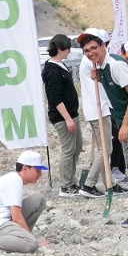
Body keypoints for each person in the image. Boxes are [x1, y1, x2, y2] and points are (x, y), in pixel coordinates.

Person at [77, 32, 128, 227]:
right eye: (86, 51)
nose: (90, 53)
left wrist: (125, 124)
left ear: (103, 46)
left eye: (94, 48)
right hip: (123, 117)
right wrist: (98, 78)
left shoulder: (116, 65)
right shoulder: (100, 68)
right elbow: (114, 88)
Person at [0, 150, 48, 254]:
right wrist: (32, 240)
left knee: (39, 199)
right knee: (31, 244)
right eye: (37, 170)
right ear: (25, 168)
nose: (40, 174)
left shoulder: (14, 179)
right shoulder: (14, 181)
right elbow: (16, 217)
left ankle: (17, 240)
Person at [43, 34, 82, 196]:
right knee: (68, 149)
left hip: (72, 113)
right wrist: (67, 118)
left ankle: (71, 181)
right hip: (62, 117)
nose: (69, 51)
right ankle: (65, 185)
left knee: (77, 147)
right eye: (67, 48)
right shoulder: (52, 70)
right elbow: (54, 97)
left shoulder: (60, 65)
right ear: (59, 49)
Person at [77, 29, 111, 199]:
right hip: (98, 109)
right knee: (106, 149)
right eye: (87, 49)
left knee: (102, 148)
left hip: (96, 108)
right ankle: (89, 184)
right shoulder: (89, 62)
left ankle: (108, 182)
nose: (90, 52)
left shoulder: (90, 61)